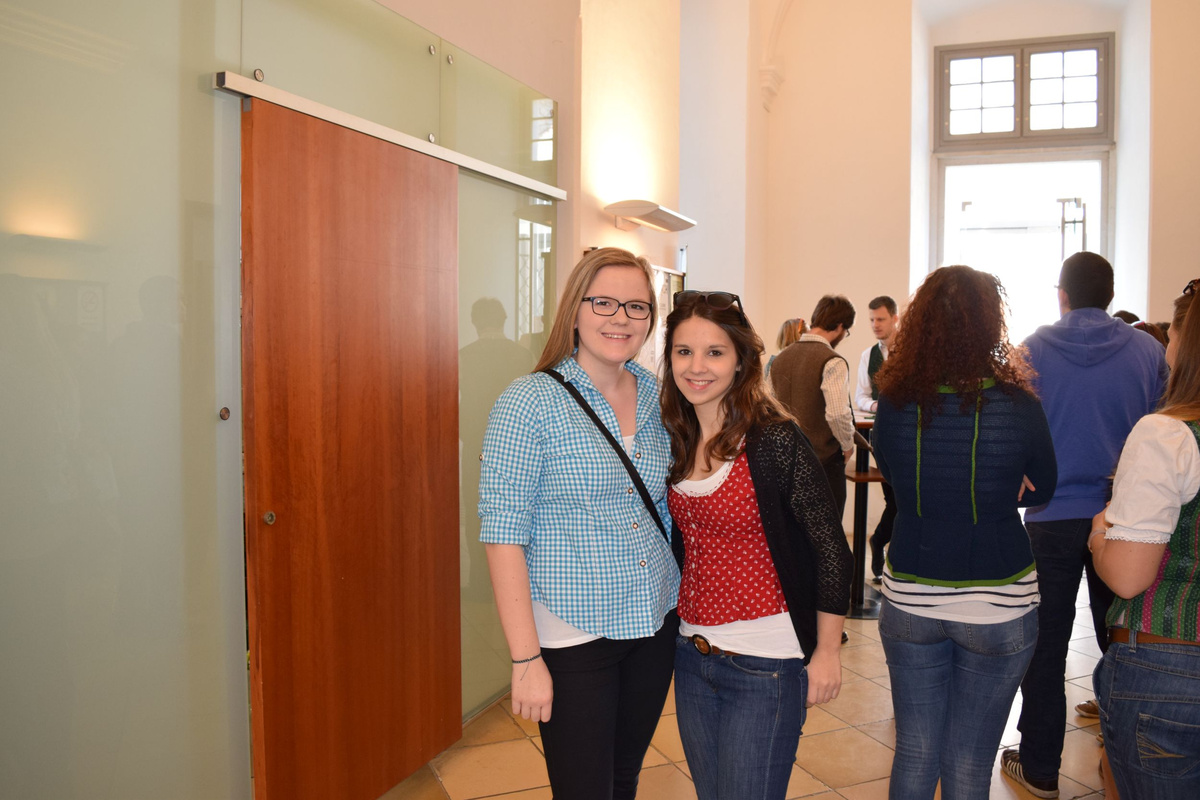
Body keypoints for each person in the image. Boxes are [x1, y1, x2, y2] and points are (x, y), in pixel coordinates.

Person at [478, 247, 681, 800]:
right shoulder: (529, 401)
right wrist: (526, 658)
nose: (621, 318)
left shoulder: (657, 395)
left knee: (624, 776)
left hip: (654, 619)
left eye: (637, 306)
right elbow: (503, 535)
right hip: (573, 632)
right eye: (603, 302)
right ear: (575, 309)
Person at [871, 265, 1057, 800]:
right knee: (970, 761)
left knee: (915, 751)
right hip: (999, 600)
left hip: (911, 595)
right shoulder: (1018, 404)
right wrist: (1001, 488)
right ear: (990, 323)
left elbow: (896, 479)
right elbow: (1043, 487)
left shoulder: (895, 402)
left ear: (919, 324)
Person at [662, 290, 852, 800]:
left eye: (714, 352)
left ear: (741, 360)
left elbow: (830, 549)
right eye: (683, 351)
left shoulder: (773, 440)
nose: (696, 367)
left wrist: (827, 651)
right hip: (692, 654)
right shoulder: (675, 437)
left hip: (765, 662)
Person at [1003, 252, 1167, 800]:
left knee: (1045, 644)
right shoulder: (1148, 351)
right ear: (1111, 294)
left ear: (1062, 294)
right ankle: (1121, 765)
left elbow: (1012, 425)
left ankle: (1040, 767)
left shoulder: (1031, 348)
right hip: (1123, 517)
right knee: (1119, 641)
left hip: (1049, 515)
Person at [1089, 281, 1200, 800]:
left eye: (1172, 333)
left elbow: (1128, 577)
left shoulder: (1168, 435)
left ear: (1185, 341)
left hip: (1170, 668)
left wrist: (1099, 535)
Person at [770, 295, 856, 517]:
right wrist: (847, 445)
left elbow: (768, 409)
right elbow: (837, 414)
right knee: (827, 531)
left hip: (784, 464)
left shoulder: (779, 359)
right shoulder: (832, 361)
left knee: (792, 531)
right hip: (822, 463)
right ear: (840, 327)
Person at [855, 295, 900, 582]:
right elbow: (860, 396)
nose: (875, 325)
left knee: (900, 498)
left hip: (910, 432)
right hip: (881, 433)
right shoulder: (867, 355)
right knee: (893, 496)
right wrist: (876, 405)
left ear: (895, 318)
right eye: (872, 319)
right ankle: (882, 544)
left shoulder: (912, 350)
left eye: (881, 319)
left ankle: (881, 540)